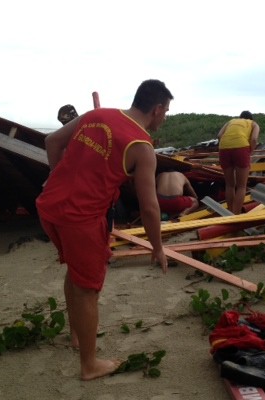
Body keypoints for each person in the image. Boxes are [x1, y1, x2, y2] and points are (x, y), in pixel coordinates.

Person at [36, 79, 173, 381]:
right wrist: (158, 247)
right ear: (157, 109)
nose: (165, 118)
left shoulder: (97, 115)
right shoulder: (142, 146)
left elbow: (51, 142)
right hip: (81, 219)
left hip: (49, 206)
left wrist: (58, 178)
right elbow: (149, 207)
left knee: (75, 272)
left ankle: (76, 335)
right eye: (166, 112)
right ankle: (90, 364)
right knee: (87, 288)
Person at [217, 111, 260, 214]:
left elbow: (219, 136)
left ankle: (230, 212)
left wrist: (226, 146)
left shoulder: (231, 121)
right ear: (251, 118)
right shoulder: (253, 124)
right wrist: (250, 151)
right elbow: (254, 139)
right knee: (241, 186)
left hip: (223, 148)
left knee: (229, 185)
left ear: (240, 117)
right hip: (241, 147)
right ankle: (235, 215)